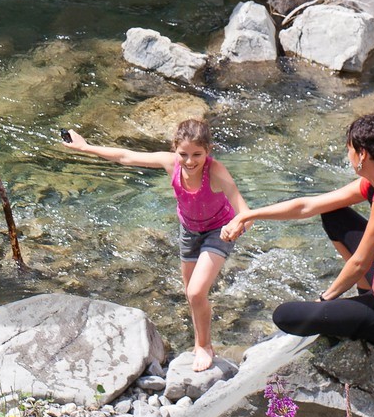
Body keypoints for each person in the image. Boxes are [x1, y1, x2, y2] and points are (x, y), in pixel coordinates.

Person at [222, 113, 374, 344]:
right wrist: (248, 214)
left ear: (362, 154)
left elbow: (359, 262)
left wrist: (325, 300)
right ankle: (365, 293)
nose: (348, 155)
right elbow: (307, 206)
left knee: (285, 316)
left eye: (349, 149)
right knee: (334, 214)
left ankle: (366, 305)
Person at [61, 119, 250, 372]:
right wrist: (86, 147)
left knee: (196, 292)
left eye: (197, 154)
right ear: (174, 149)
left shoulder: (216, 172)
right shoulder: (170, 162)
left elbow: (245, 211)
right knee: (190, 293)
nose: (190, 161)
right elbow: (125, 156)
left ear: (209, 150)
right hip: (189, 229)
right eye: (184, 154)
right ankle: (197, 342)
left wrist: (237, 225)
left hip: (219, 231)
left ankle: (205, 346)